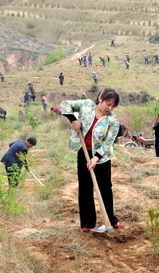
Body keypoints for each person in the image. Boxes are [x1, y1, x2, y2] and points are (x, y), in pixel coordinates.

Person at [61, 88, 121, 232]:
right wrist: (73, 120)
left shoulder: (112, 120)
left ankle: (110, 219)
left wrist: (96, 158)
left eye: (113, 106)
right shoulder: (86, 105)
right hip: (83, 152)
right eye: (108, 104)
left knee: (105, 187)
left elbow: (108, 142)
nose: (110, 108)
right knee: (85, 187)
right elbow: (65, 104)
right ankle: (88, 222)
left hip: (102, 157)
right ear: (100, 99)